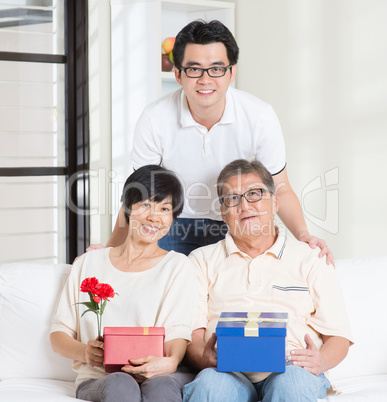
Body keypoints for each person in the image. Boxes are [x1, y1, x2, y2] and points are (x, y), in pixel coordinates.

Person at [95, 19, 333, 264]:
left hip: (234, 220)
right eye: (194, 69)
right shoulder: (154, 118)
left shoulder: (260, 116)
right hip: (175, 223)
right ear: (178, 74)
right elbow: (139, 193)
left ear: (232, 73)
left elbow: (280, 185)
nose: (205, 79)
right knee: (162, 286)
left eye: (217, 69)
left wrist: (304, 236)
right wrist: (111, 250)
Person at [182, 159, 353, 402]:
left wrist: (320, 360)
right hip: (226, 369)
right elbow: (193, 337)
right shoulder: (200, 261)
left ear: (275, 202)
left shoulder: (311, 258)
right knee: (210, 387)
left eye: (254, 194)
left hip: (292, 367)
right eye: (232, 198)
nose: (244, 206)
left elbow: (339, 337)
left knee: (291, 386)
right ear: (222, 211)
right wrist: (204, 358)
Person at [50, 165, 197, 402]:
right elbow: (58, 334)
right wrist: (86, 353)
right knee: (121, 382)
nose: (154, 217)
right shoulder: (88, 263)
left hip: (159, 376)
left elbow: (178, 331)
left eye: (165, 208)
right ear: (127, 207)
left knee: (160, 388)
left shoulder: (178, 266)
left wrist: (170, 362)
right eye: (146, 205)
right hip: (100, 379)